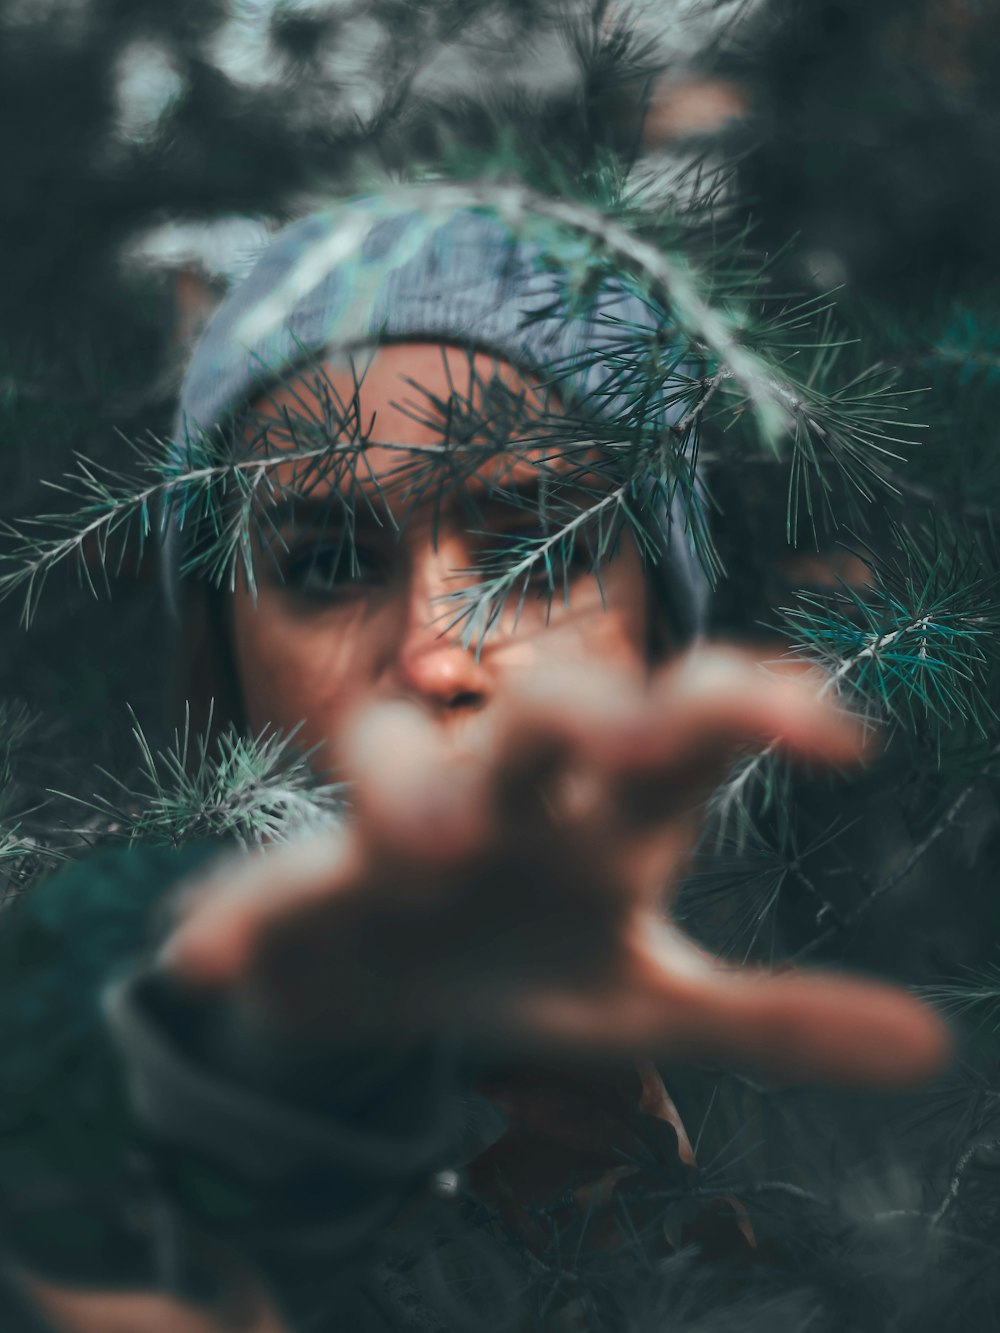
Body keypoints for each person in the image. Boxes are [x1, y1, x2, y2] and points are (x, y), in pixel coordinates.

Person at [0, 186, 949, 1332]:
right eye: (326, 562)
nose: (433, 658)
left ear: (660, 637)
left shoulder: (887, 1150)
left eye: (536, 552)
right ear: (221, 663)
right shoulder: (90, 1040)